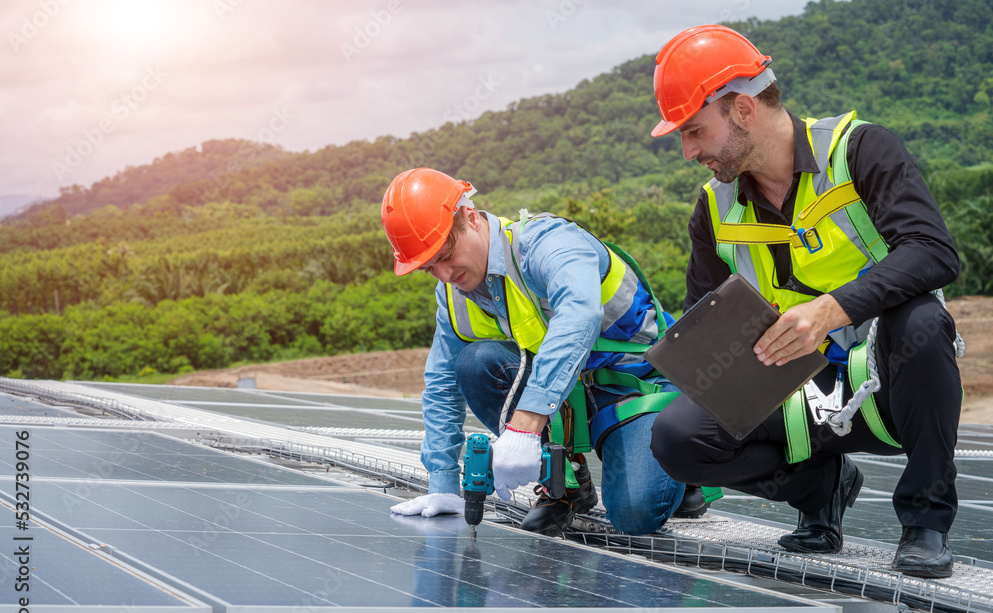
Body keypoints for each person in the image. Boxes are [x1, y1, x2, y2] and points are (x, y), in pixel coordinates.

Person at [646, 25, 963, 578]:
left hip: (888, 376)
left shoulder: (862, 150)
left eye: (695, 131)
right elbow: (707, 319)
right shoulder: (713, 207)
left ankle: (925, 521)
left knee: (924, 321)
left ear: (743, 109)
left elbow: (934, 252)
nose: (688, 151)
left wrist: (832, 309)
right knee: (678, 438)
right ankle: (821, 490)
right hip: (793, 390)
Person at [381, 167, 696, 536]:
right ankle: (565, 479)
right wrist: (444, 483)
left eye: (446, 253)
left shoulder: (546, 244)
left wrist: (526, 426)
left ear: (470, 218)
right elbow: (442, 383)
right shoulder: (453, 293)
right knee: (476, 364)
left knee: (635, 516)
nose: (445, 274)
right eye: (428, 267)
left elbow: (580, 313)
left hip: (635, 387)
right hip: (567, 399)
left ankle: (684, 462)